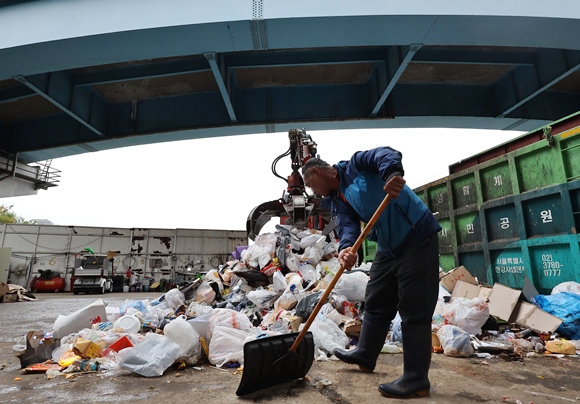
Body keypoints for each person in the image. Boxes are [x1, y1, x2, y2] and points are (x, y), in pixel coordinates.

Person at [301, 147, 441, 399]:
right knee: (376, 299)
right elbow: (347, 226)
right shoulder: (337, 199)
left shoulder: (356, 165)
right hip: (388, 248)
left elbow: (386, 154)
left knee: (414, 307)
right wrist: (346, 249)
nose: (314, 192)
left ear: (317, 171)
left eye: (311, 185)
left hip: (416, 235)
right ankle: (365, 353)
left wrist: (391, 175)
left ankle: (416, 379)